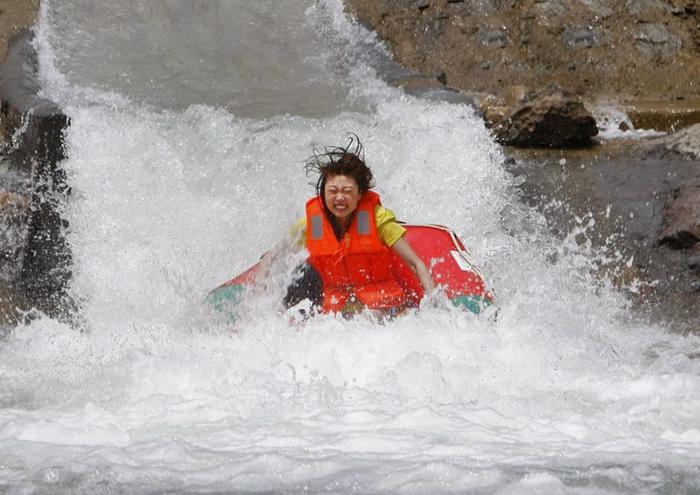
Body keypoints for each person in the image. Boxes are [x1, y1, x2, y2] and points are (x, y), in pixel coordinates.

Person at [259, 136, 435, 318]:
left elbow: (416, 263)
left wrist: (435, 305)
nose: (340, 198)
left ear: (360, 194)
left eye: (347, 192)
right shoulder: (310, 226)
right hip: (334, 311)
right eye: (333, 191)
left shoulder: (378, 220)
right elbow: (272, 256)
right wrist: (259, 296)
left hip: (380, 306)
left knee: (370, 317)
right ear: (323, 193)